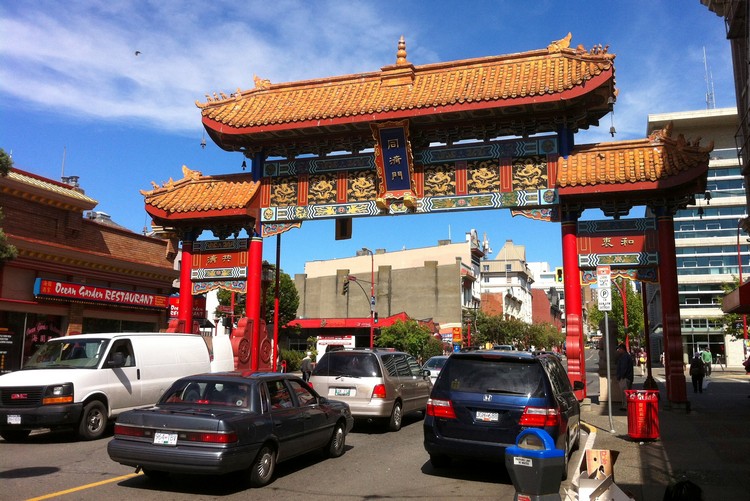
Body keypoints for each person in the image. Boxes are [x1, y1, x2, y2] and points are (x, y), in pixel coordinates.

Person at [615, 343, 634, 411]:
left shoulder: (624, 357)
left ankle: (625, 406)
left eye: (619, 349)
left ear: (622, 349)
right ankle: (625, 405)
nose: (618, 351)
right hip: (627, 377)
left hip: (625, 378)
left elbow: (624, 368)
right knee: (626, 392)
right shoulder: (625, 356)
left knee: (625, 393)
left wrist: (620, 377)